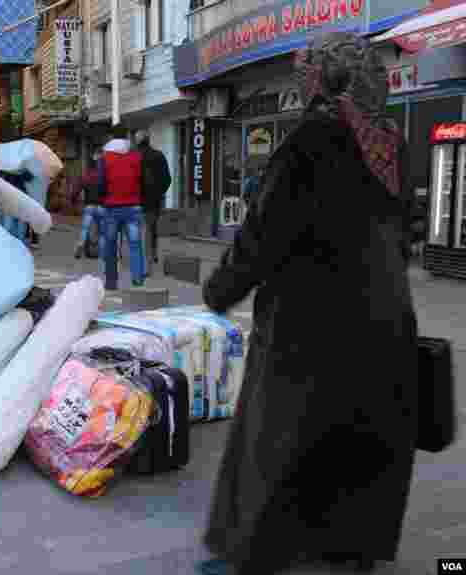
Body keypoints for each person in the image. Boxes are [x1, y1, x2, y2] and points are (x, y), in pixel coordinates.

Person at [198, 33, 417, 575]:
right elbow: (403, 236)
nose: (302, 81)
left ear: (327, 78)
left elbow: (263, 234)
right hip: (385, 321)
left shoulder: (313, 137)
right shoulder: (391, 142)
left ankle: (251, 554)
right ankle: (348, 547)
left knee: (276, 439)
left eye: (308, 72)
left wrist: (221, 290)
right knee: (357, 437)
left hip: (310, 324)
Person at [97, 126, 146, 289]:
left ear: (111, 137)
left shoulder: (105, 157)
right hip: (133, 207)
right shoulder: (136, 156)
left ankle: (111, 282)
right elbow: (142, 179)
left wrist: (102, 199)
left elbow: (101, 182)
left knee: (110, 245)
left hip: (112, 207)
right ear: (127, 136)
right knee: (135, 244)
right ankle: (137, 278)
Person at [135, 130, 171, 267]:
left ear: (138, 141)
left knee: (137, 229)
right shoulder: (159, 156)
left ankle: (142, 257)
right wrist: (159, 193)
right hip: (153, 200)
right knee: (151, 227)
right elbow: (167, 179)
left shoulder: (133, 157)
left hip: (136, 200)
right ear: (148, 140)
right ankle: (153, 253)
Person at [74, 153, 103, 260]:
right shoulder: (102, 176)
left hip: (89, 206)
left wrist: (74, 199)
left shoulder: (85, 175)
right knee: (101, 230)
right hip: (101, 207)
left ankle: (80, 245)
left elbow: (77, 189)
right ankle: (100, 250)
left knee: (85, 229)